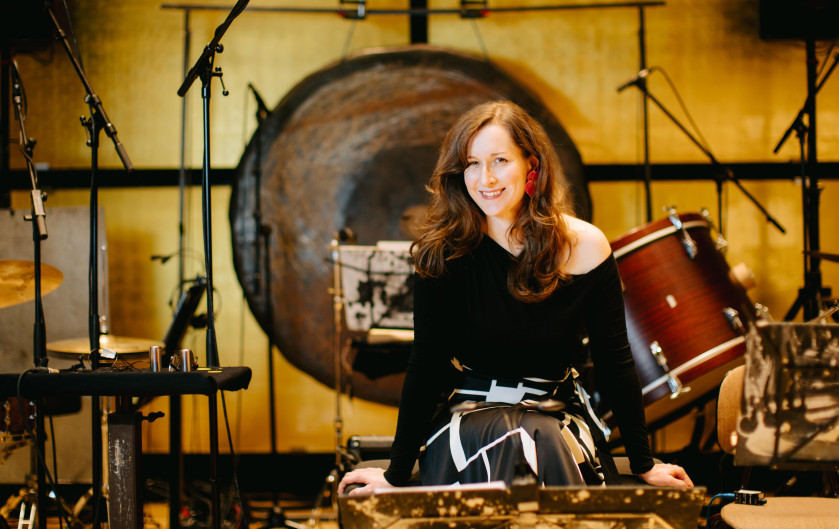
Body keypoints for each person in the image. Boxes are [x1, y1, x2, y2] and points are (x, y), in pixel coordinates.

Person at [338, 100, 693, 495]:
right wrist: (395, 474)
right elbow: (426, 366)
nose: (485, 178)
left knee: (535, 440)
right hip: (469, 416)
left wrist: (645, 464)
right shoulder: (441, 254)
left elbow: (615, 361)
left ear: (531, 165)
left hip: (556, 416)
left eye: (500, 160)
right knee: (518, 442)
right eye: (472, 164)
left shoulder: (586, 246)